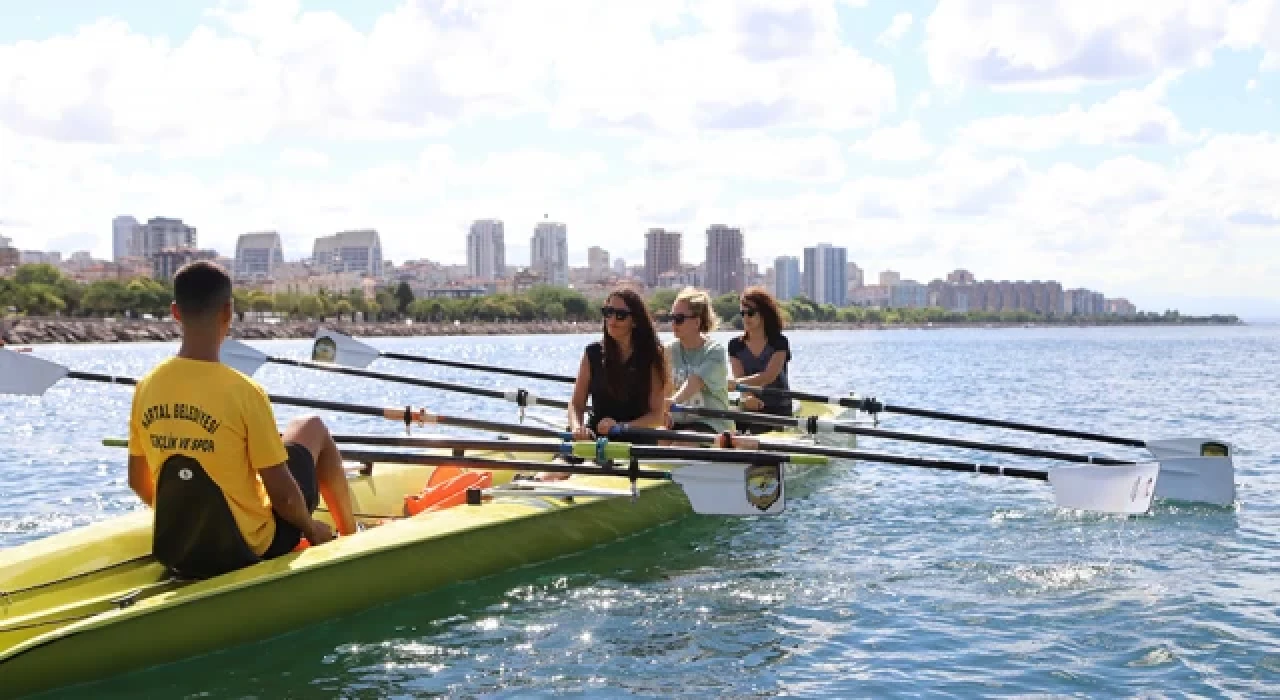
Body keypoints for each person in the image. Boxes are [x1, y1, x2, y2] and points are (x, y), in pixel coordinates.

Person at [126, 261, 357, 577]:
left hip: (181, 546)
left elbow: (138, 482)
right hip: (250, 546)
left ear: (175, 313)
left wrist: (191, 519)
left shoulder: (146, 387)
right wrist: (311, 528)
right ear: (227, 313)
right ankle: (351, 534)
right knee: (311, 427)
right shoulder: (244, 392)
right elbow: (285, 496)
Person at [566, 288, 669, 442]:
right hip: (594, 437)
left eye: (621, 315)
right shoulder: (592, 353)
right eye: (608, 312)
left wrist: (620, 427)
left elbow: (657, 416)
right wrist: (577, 428)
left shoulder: (652, 357)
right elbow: (576, 404)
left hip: (635, 440)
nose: (612, 320)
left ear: (634, 321)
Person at [664, 287, 734, 435]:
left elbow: (695, 382)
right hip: (678, 422)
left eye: (679, 319)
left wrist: (672, 401)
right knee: (659, 442)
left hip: (712, 422)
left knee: (681, 444)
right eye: (672, 317)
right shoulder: (668, 350)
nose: (673, 323)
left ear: (696, 322)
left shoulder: (714, 351)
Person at [728, 286, 794, 434]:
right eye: (742, 313)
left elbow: (768, 376)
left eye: (750, 313)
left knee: (756, 430)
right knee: (728, 423)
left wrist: (736, 384)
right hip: (750, 405)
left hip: (778, 408)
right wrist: (748, 397)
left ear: (764, 313)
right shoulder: (735, 345)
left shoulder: (779, 342)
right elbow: (740, 377)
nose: (745, 318)